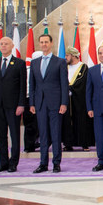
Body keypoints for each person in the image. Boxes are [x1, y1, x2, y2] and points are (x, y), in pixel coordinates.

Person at [29, 34, 69, 173]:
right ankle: (43, 163)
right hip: (40, 104)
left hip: (56, 104)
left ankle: (56, 163)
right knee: (43, 134)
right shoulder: (34, 63)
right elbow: (32, 85)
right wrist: (32, 103)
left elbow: (64, 84)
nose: (44, 44)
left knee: (56, 133)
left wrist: (64, 103)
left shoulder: (60, 62)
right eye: (41, 42)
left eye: (46, 42)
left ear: (51, 43)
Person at [0, 37, 27, 173]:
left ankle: (13, 163)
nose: (3, 46)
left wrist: (21, 104)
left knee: (14, 136)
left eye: (6, 44)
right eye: (1, 44)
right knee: (0, 135)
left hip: (13, 106)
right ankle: (3, 162)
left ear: (12, 46)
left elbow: (22, 86)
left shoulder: (19, 63)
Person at [62, 47, 93, 152]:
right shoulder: (64, 67)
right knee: (67, 122)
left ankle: (84, 143)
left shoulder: (83, 67)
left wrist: (71, 88)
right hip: (66, 100)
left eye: (67, 55)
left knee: (81, 121)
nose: (65, 57)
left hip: (80, 101)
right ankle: (68, 143)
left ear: (73, 56)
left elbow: (83, 83)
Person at [23, 51, 41, 153]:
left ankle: (36, 143)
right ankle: (29, 145)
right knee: (30, 124)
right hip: (29, 99)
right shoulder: (28, 71)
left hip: (40, 99)